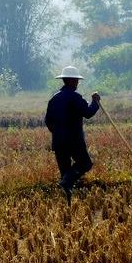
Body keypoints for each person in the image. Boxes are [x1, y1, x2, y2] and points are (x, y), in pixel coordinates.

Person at [44, 66, 101, 201]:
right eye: (76, 80)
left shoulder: (54, 99)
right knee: (85, 163)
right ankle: (67, 181)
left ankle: (67, 198)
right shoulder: (75, 97)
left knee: (64, 171)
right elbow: (88, 113)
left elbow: (48, 121)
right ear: (70, 81)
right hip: (74, 141)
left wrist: (57, 133)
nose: (77, 83)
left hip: (58, 141)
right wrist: (95, 102)